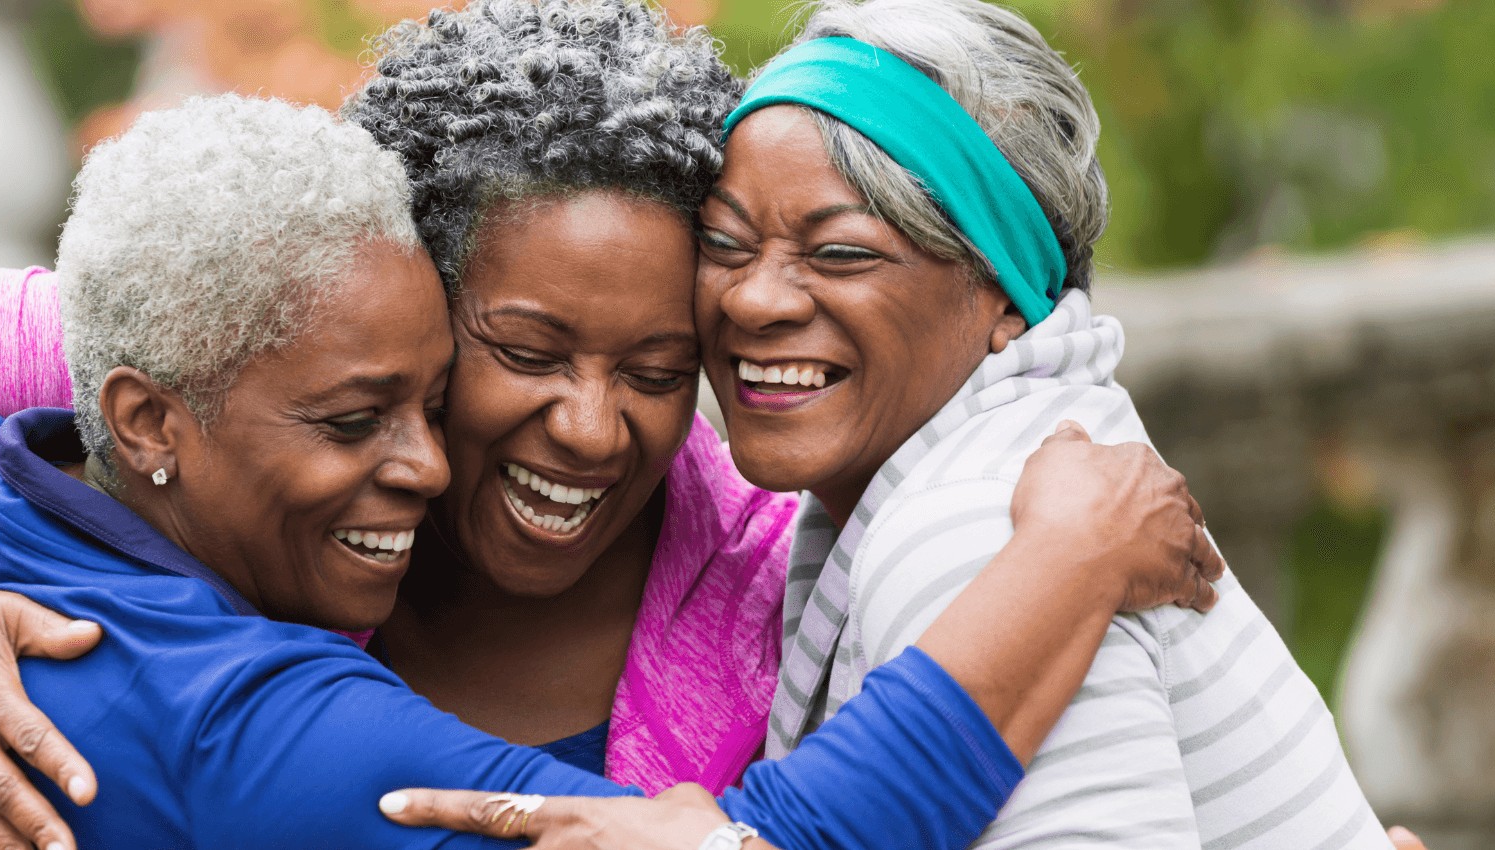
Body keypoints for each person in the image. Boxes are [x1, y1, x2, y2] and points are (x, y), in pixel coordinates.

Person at [0, 95, 1217, 850]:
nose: (415, 459)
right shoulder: (254, 724)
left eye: (426, 392)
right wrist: (1068, 560)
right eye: (353, 420)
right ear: (147, 418)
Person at [386, 0, 1390, 847]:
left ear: (1006, 295)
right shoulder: (1015, 501)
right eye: (727, 245)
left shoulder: (986, 534)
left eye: (840, 254)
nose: (751, 301)